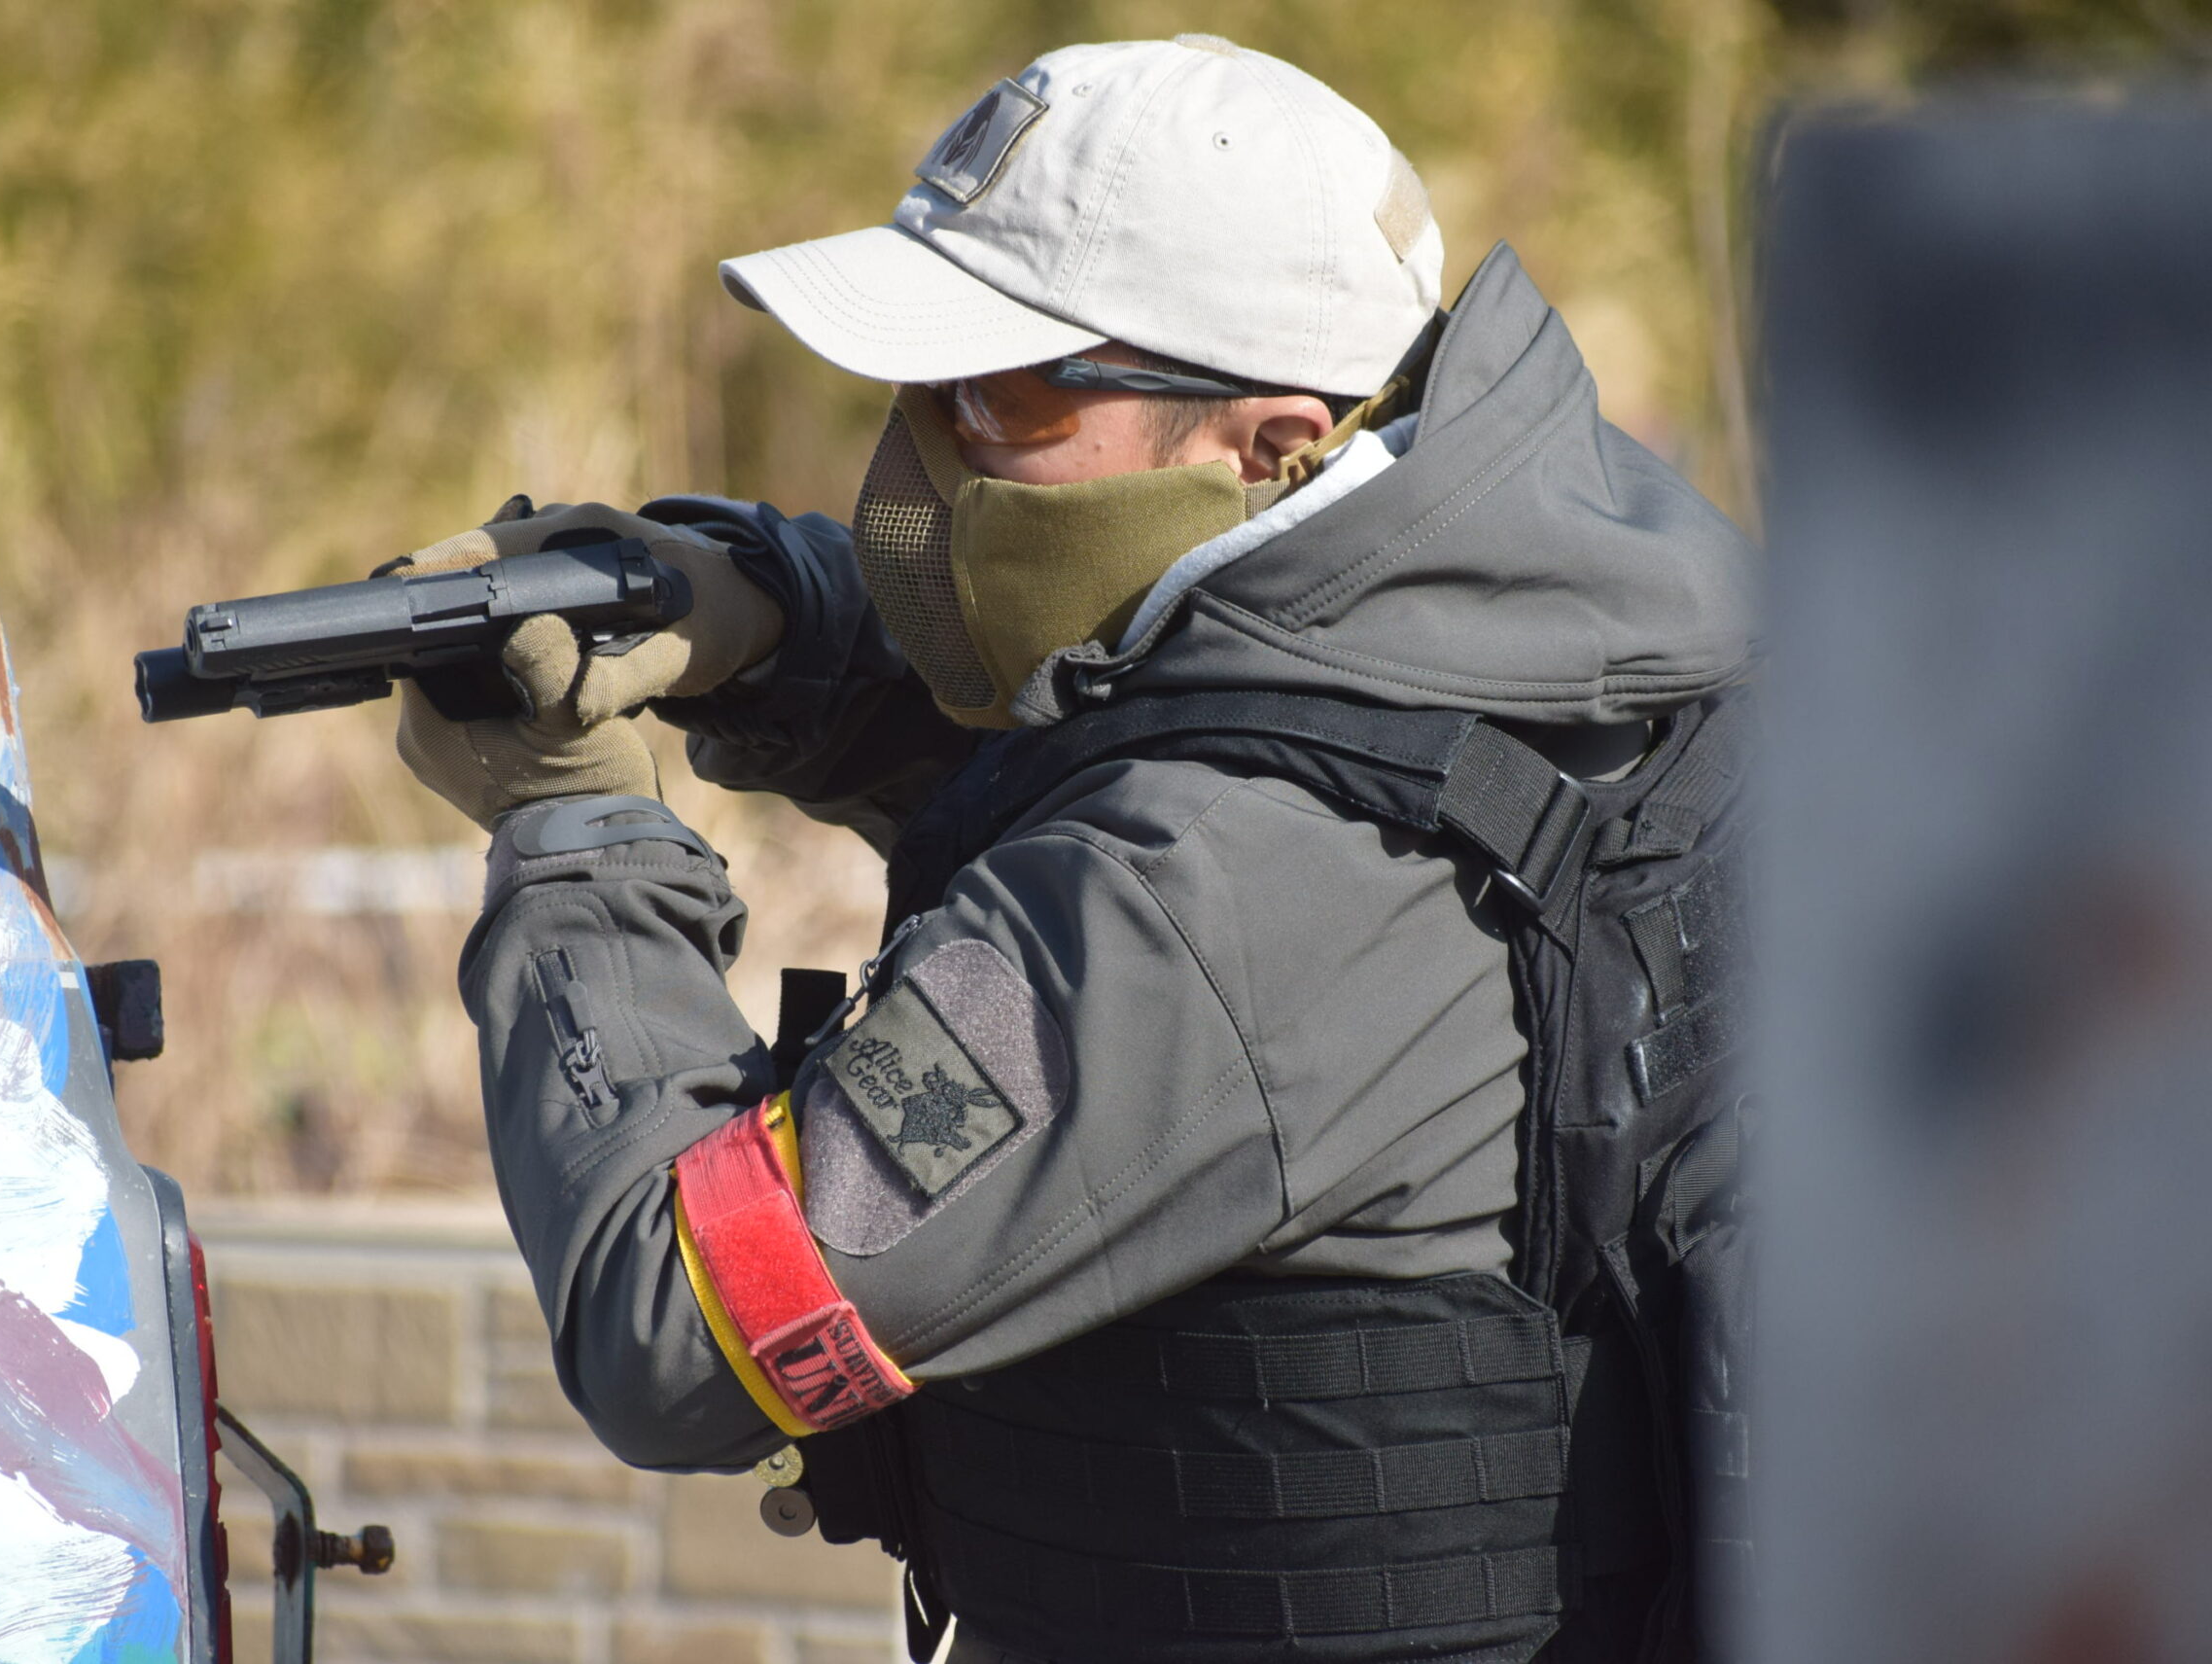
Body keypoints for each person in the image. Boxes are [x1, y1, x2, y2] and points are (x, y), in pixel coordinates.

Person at [393, 35, 1756, 1664]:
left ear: (1268, 439)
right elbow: (1140, 697)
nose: (918, 458)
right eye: (916, 385)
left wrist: (571, 834)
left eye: (999, 397)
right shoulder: (1559, 617)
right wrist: (758, 617)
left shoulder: (1196, 903)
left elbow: (676, 1320)